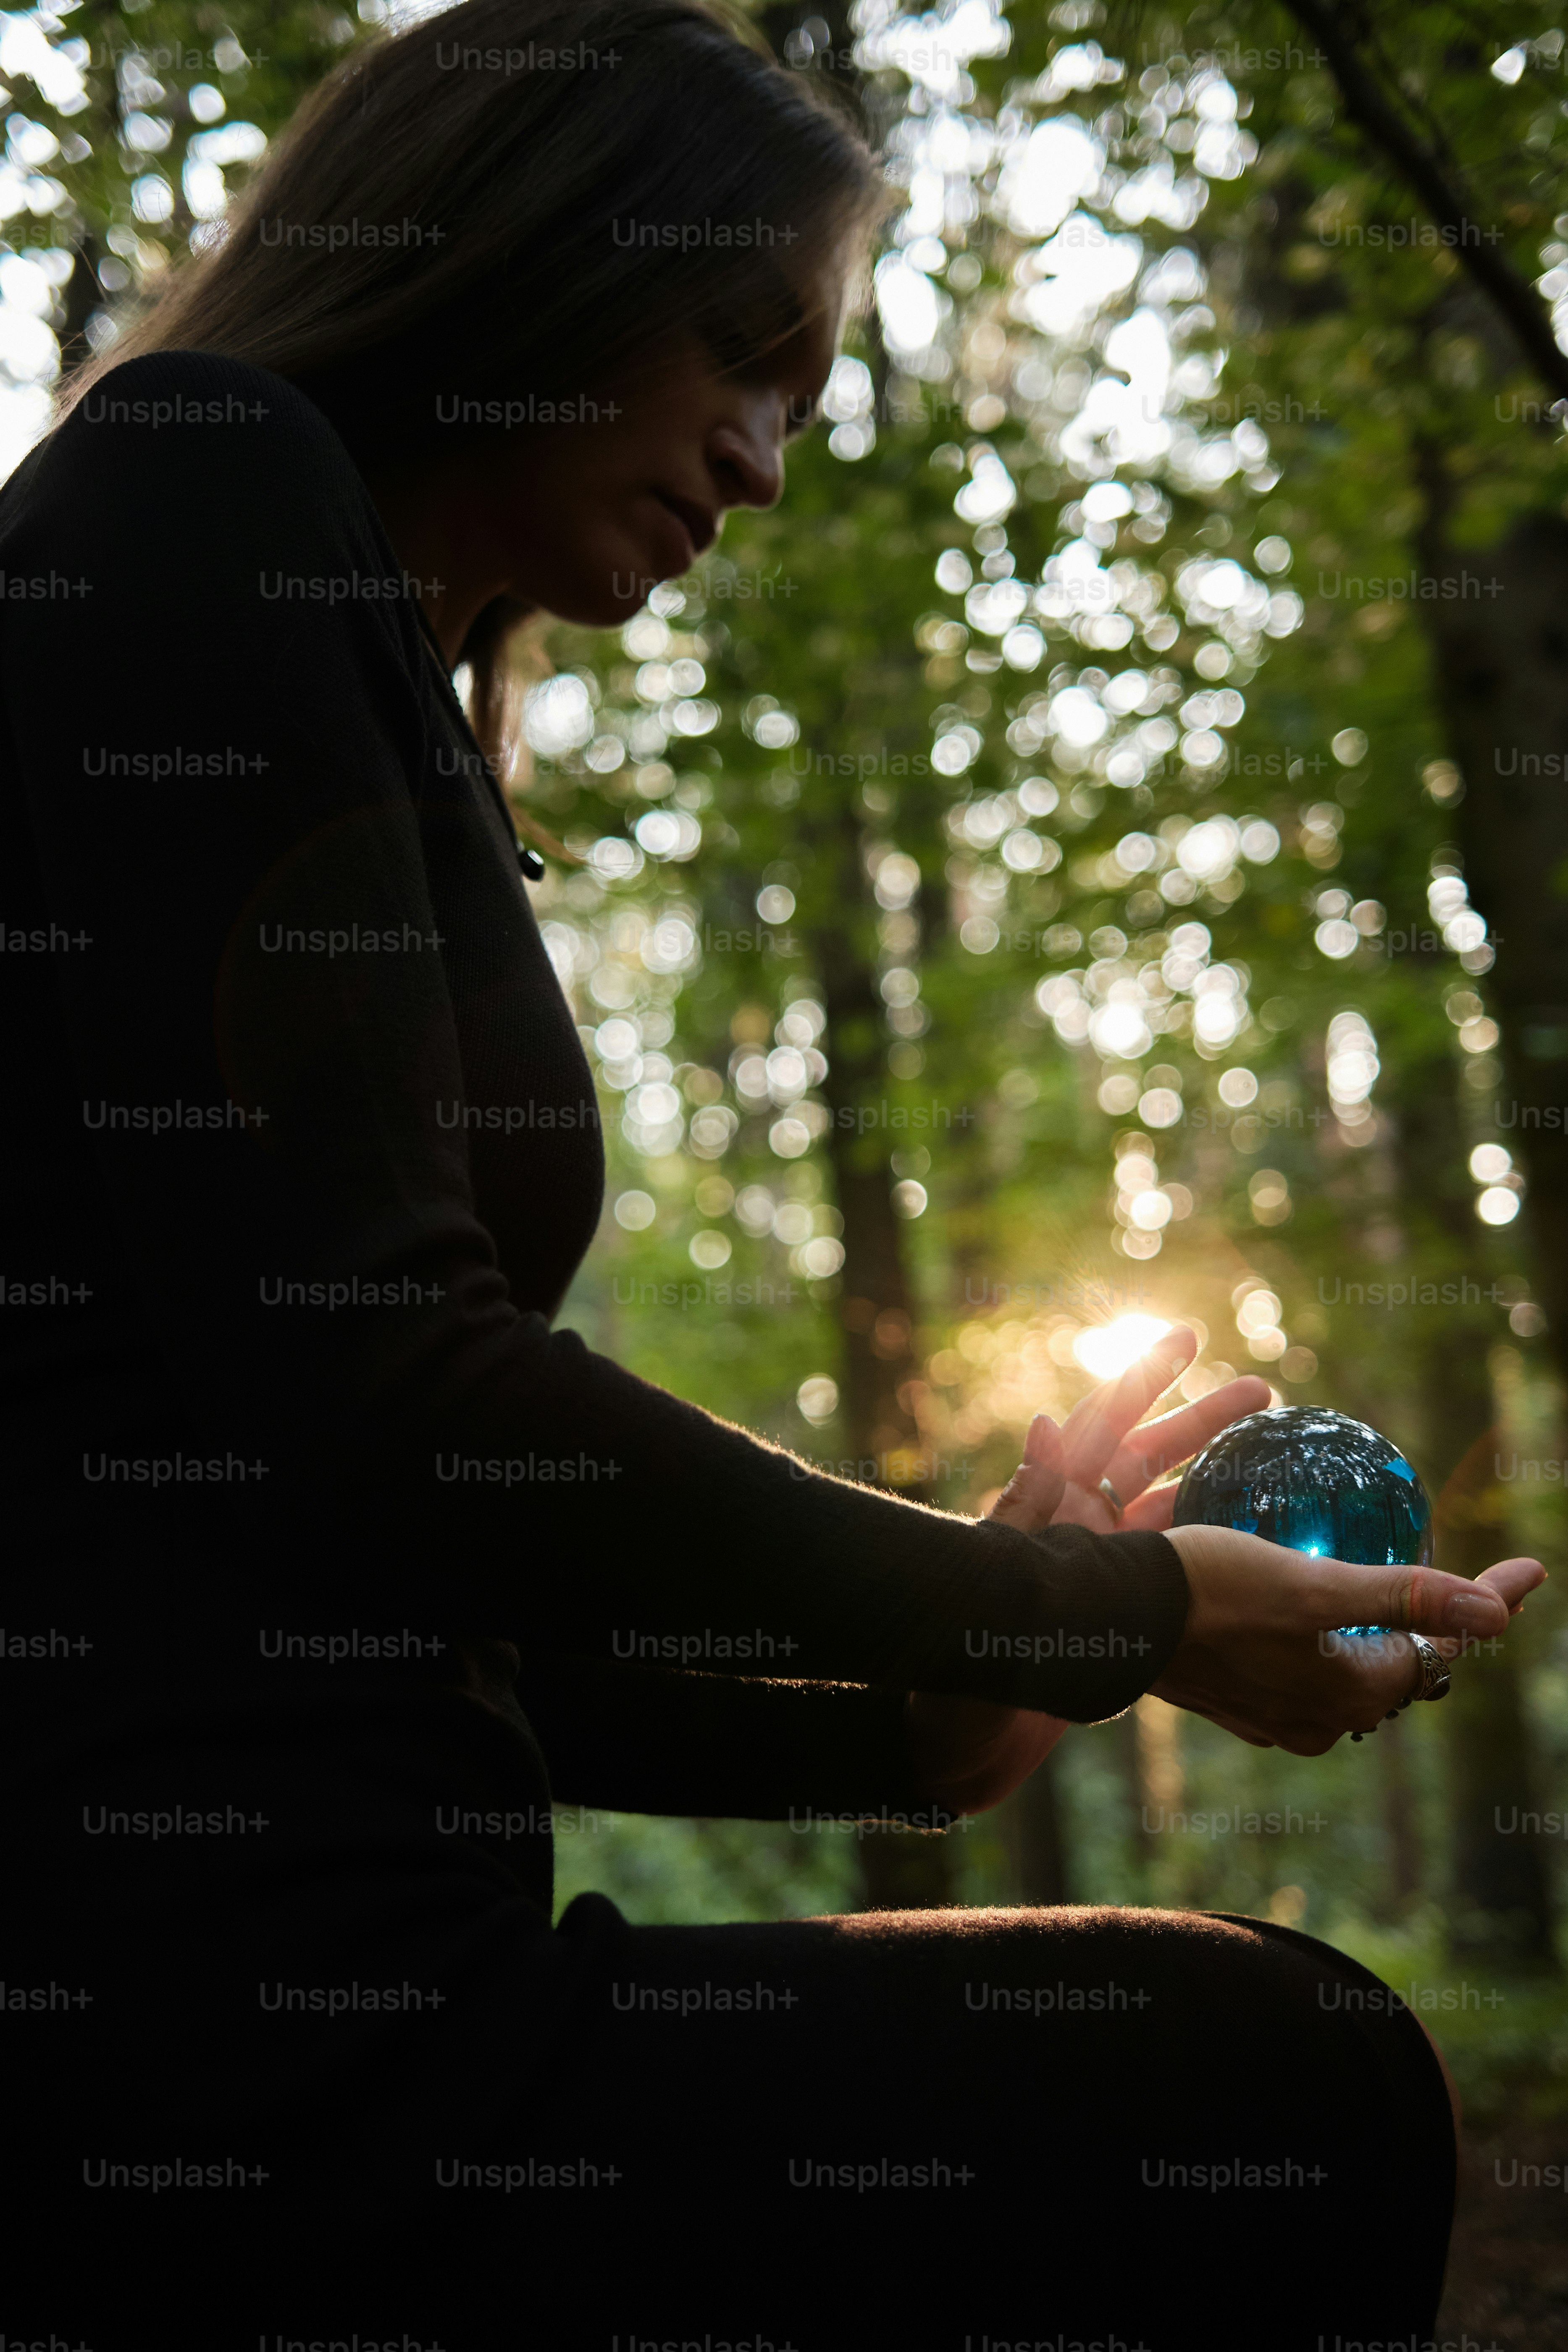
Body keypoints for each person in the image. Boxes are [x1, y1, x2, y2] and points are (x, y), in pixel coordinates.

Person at [0, 2, 1542, 2341]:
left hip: (340, 2009)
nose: (763, 462)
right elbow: (396, 1389)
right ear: (524, 248)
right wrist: (1093, 1615)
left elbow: (396, 1587)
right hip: (211, 2064)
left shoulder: (343, 656)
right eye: (742, 350)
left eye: (810, 397)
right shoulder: (192, 482)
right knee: (1271, 2078)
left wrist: (945, 1710)